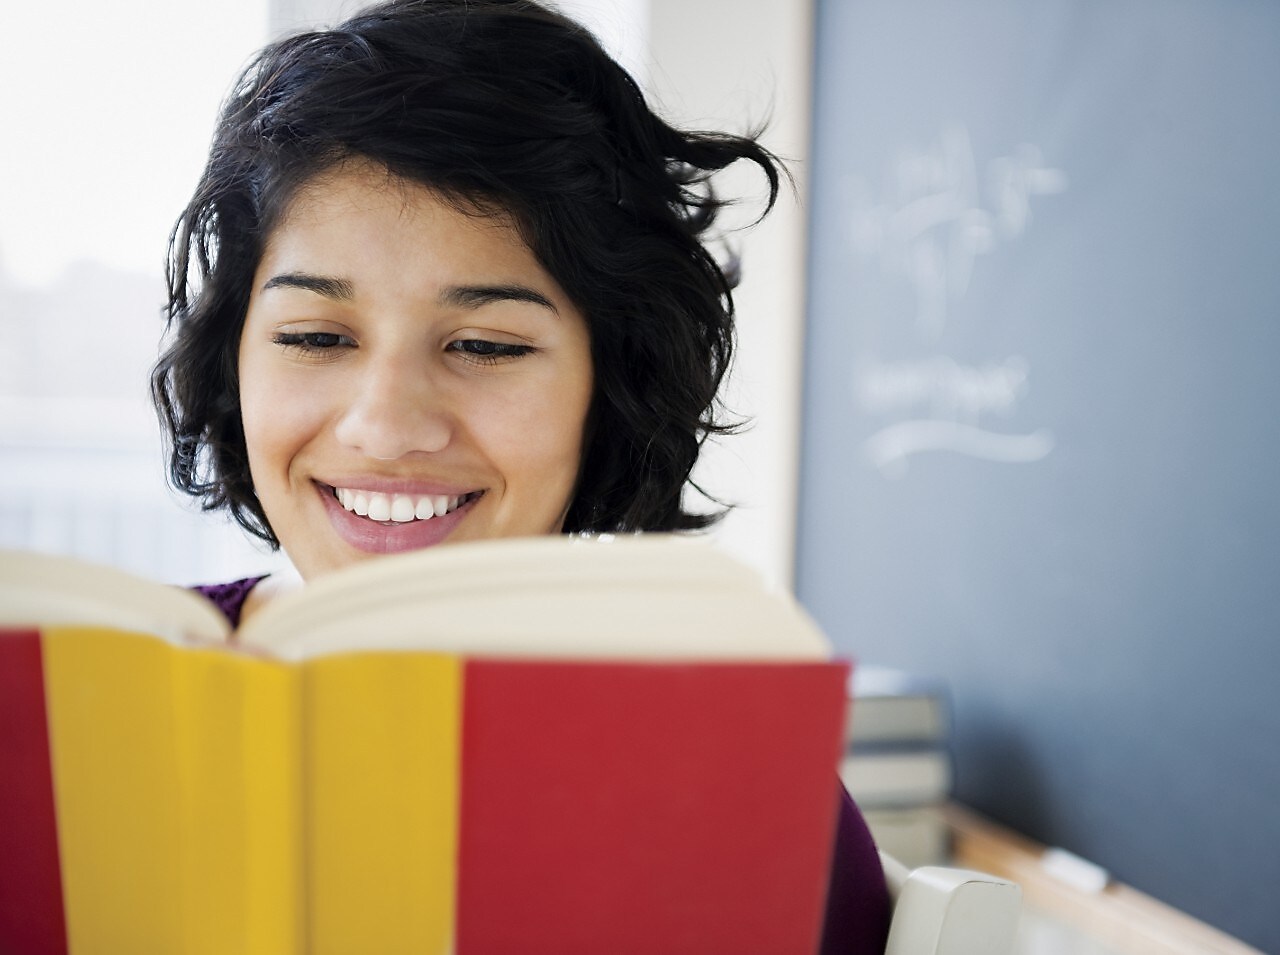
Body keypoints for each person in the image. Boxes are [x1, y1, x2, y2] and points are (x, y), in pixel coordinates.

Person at [151, 1, 890, 950]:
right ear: (235, 362)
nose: (385, 426)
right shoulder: (85, 700)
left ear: (609, 386)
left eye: (487, 345)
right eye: (316, 336)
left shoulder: (747, 801)